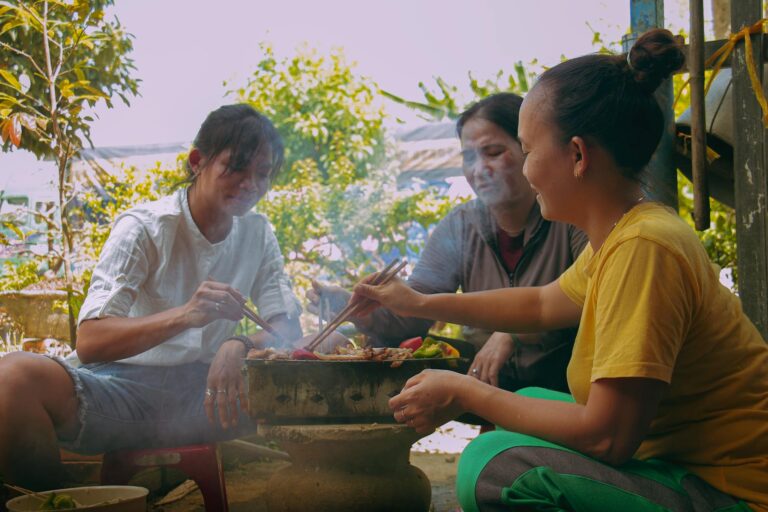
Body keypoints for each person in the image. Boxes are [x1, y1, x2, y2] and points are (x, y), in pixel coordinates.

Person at [352, 30, 768, 511]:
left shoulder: (643, 247)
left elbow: (609, 438)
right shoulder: (623, 235)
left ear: (576, 155)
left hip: (732, 493)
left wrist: (467, 392)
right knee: (525, 401)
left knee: (492, 467)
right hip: (680, 462)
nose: (526, 170)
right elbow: (541, 301)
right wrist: (420, 303)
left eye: (527, 150)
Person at [0, 104, 303, 490]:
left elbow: (286, 326)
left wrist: (238, 343)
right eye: (236, 167)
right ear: (197, 161)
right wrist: (186, 315)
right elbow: (91, 341)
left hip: (209, 395)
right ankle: (59, 500)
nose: (250, 184)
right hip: (123, 395)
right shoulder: (144, 227)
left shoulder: (257, 232)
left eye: (263, 174)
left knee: (329, 346)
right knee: (12, 377)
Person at [310, 92, 587, 392]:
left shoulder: (569, 213)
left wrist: (514, 333)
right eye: (469, 158)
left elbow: (590, 299)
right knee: (382, 350)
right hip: (484, 376)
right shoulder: (460, 225)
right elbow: (415, 314)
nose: (479, 169)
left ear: (528, 151)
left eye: (493, 152)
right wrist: (368, 312)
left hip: (564, 382)